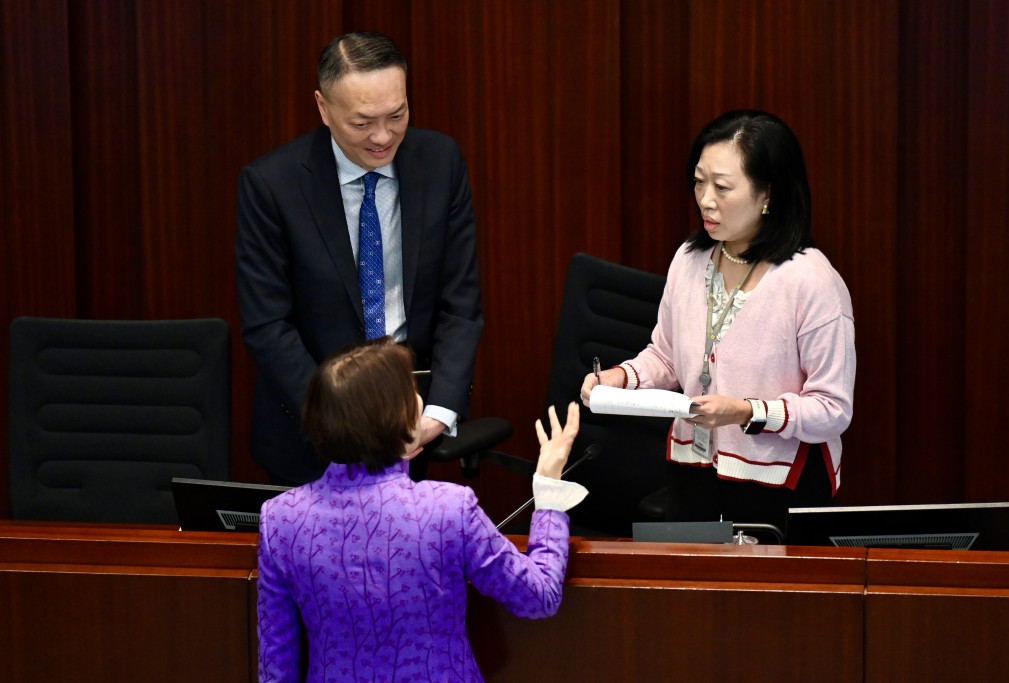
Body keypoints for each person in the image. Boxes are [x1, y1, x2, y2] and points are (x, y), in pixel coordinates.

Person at [581, 109, 855, 535]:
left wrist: (746, 411)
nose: (705, 199)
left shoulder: (812, 281)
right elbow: (667, 357)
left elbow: (833, 410)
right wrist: (621, 378)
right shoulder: (690, 260)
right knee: (691, 594)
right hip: (692, 473)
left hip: (779, 485)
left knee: (763, 601)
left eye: (723, 187)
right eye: (698, 181)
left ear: (769, 194)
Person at [256, 340, 587, 681]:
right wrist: (548, 491)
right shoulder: (448, 508)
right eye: (412, 392)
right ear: (396, 418)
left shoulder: (280, 520)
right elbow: (538, 596)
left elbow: (275, 666)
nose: (420, 401)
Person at [235, 31, 482, 485]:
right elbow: (268, 325)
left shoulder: (440, 161)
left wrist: (438, 412)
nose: (383, 136)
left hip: (412, 428)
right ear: (323, 108)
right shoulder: (273, 185)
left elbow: (460, 302)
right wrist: (337, 416)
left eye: (397, 114)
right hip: (309, 437)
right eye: (363, 122)